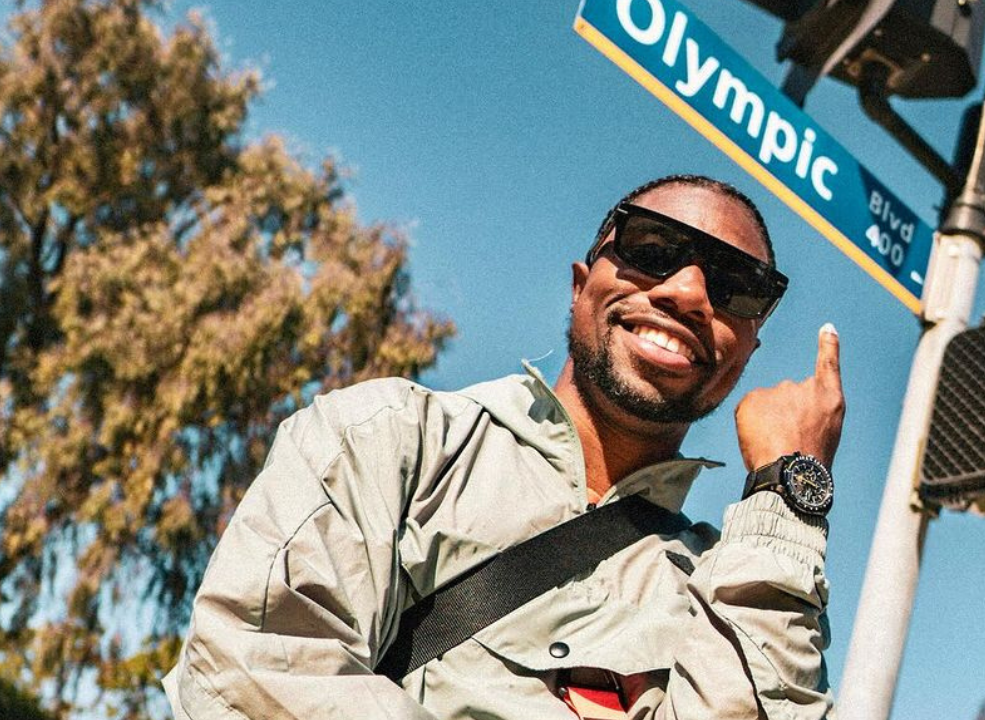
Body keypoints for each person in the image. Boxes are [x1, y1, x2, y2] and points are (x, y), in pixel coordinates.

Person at [162, 174, 846, 719]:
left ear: (747, 349)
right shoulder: (391, 439)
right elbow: (254, 673)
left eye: (736, 287)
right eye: (654, 251)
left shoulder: (723, 583)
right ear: (582, 286)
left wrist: (789, 498)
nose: (689, 292)